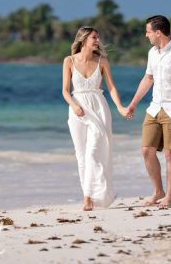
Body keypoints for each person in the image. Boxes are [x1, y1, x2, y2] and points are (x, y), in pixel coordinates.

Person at [127, 15, 171, 208]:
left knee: (170, 153)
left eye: (148, 31)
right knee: (146, 150)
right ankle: (158, 191)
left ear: (158, 33)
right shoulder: (152, 52)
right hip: (155, 107)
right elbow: (148, 79)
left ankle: (170, 197)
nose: (146, 35)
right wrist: (133, 104)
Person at [62, 26, 130, 211]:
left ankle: (93, 195)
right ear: (83, 40)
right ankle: (87, 197)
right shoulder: (69, 61)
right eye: (94, 37)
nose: (98, 40)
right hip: (77, 109)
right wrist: (74, 105)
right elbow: (65, 91)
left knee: (93, 151)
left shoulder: (102, 61)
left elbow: (112, 88)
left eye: (98, 37)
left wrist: (120, 108)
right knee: (81, 155)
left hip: (98, 108)